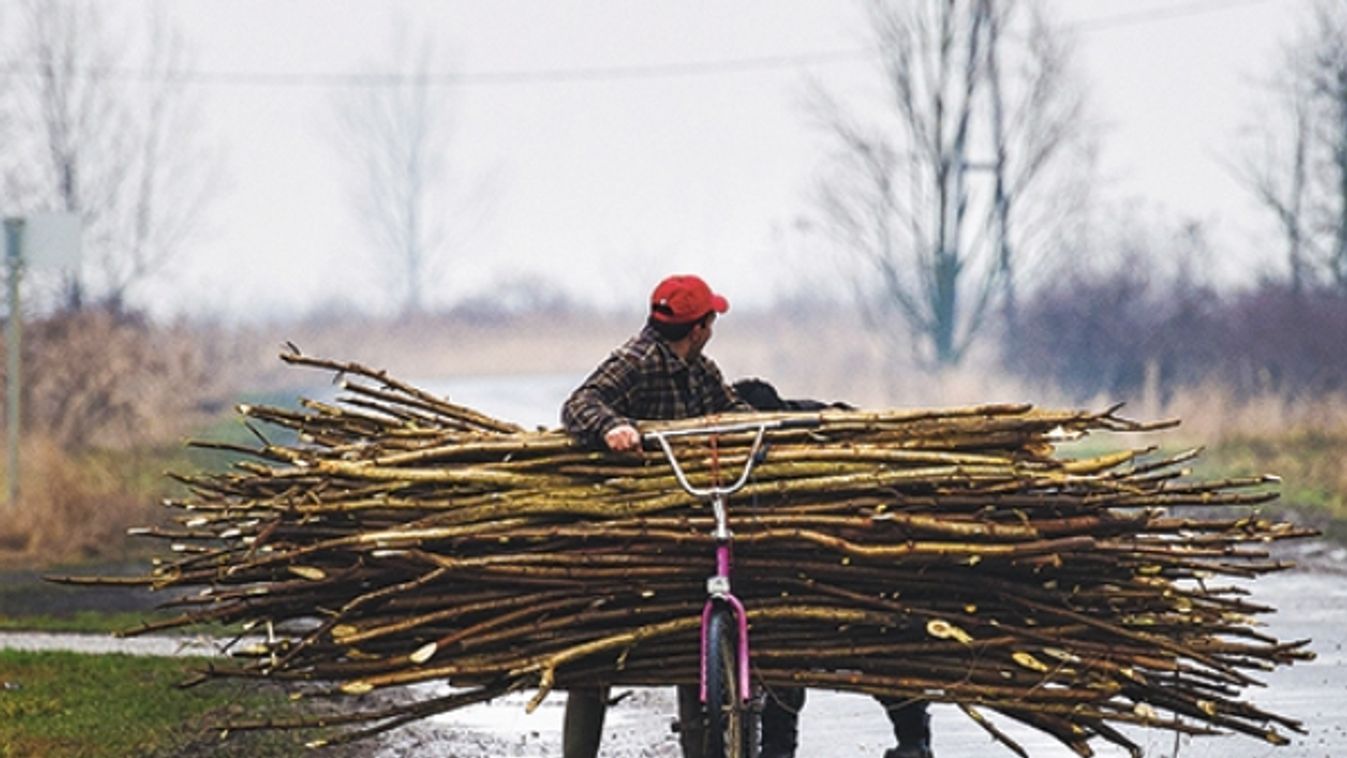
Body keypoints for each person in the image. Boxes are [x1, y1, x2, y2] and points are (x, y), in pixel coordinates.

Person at [559, 273, 752, 758]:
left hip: (685, 524)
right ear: (700, 326)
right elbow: (579, 404)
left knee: (690, 646)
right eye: (711, 319)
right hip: (624, 528)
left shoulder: (701, 371)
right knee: (597, 652)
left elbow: (733, 414)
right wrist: (611, 429)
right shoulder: (636, 361)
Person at [731, 378, 934, 758]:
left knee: (872, 647)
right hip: (787, 569)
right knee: (784, 659)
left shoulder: (814, 425)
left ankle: (913, 742)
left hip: (847, 563)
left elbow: (863, 434)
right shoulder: (733, 448)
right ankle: (779, 750)